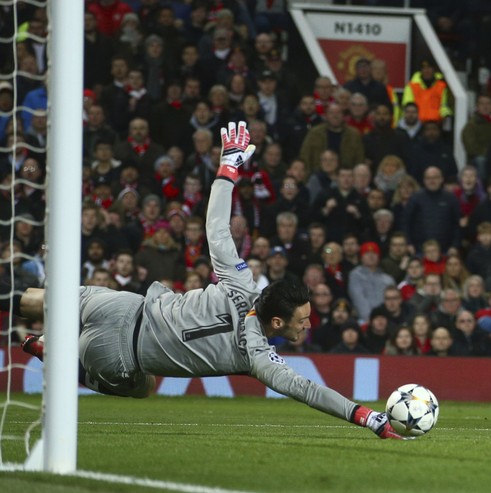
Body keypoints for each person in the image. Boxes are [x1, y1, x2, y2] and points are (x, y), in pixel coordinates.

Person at [17, 122, 403, 440]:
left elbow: (216, 229)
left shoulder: (241, 282)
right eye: (303, 319)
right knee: (144, 387)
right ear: (278, 324)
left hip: (120, 304)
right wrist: (366, 417)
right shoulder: (255, 355)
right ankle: (54, 354)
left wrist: (229, 168)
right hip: (116, 357)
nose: (309, 322)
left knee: (34, 299)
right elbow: (308, 390)